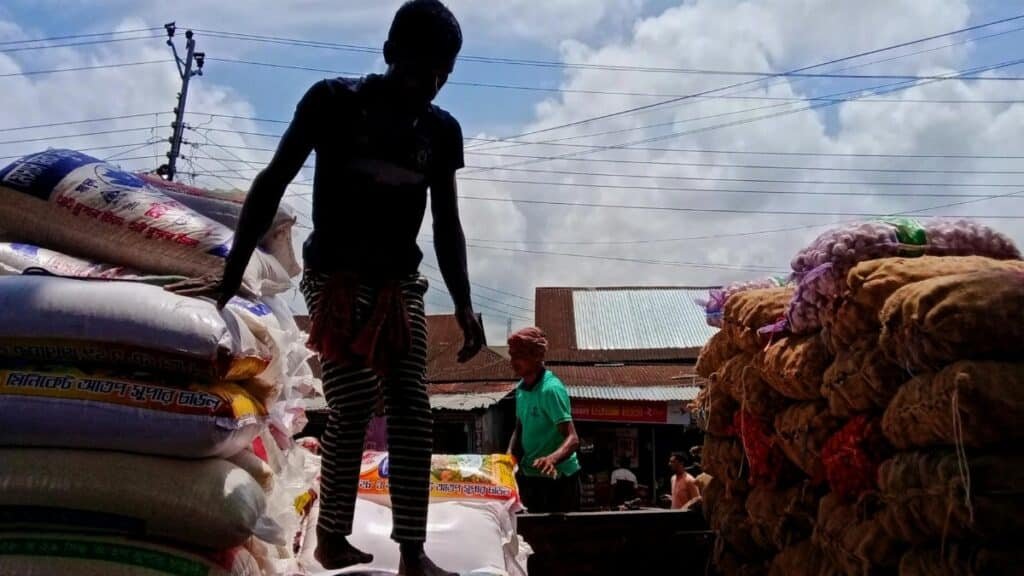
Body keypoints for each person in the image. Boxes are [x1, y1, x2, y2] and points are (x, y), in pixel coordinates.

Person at [167, 2, 483, 574]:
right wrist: (233, 272)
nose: (427, 86)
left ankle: (413, 553)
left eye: (441, 76)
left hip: (398, 284)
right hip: (333, 279)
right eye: (417, 71)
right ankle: (332, 536)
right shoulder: (333, 103)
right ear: (389, 56)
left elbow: (447, 224)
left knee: (412, 405)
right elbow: (273, 181)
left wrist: (463, 302)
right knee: (354, 399)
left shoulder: (440, 131)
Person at [506, 327, 582, 513]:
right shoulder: (521, 389)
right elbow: (520, 428)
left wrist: (551, 459)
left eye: (520, 355)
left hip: (559, 479)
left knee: (557, 538)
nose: (513, 361)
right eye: (512, 355)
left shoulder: (551, 390)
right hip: (530, 476)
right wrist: (509, 456)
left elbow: (573, 439)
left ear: (536, 356)